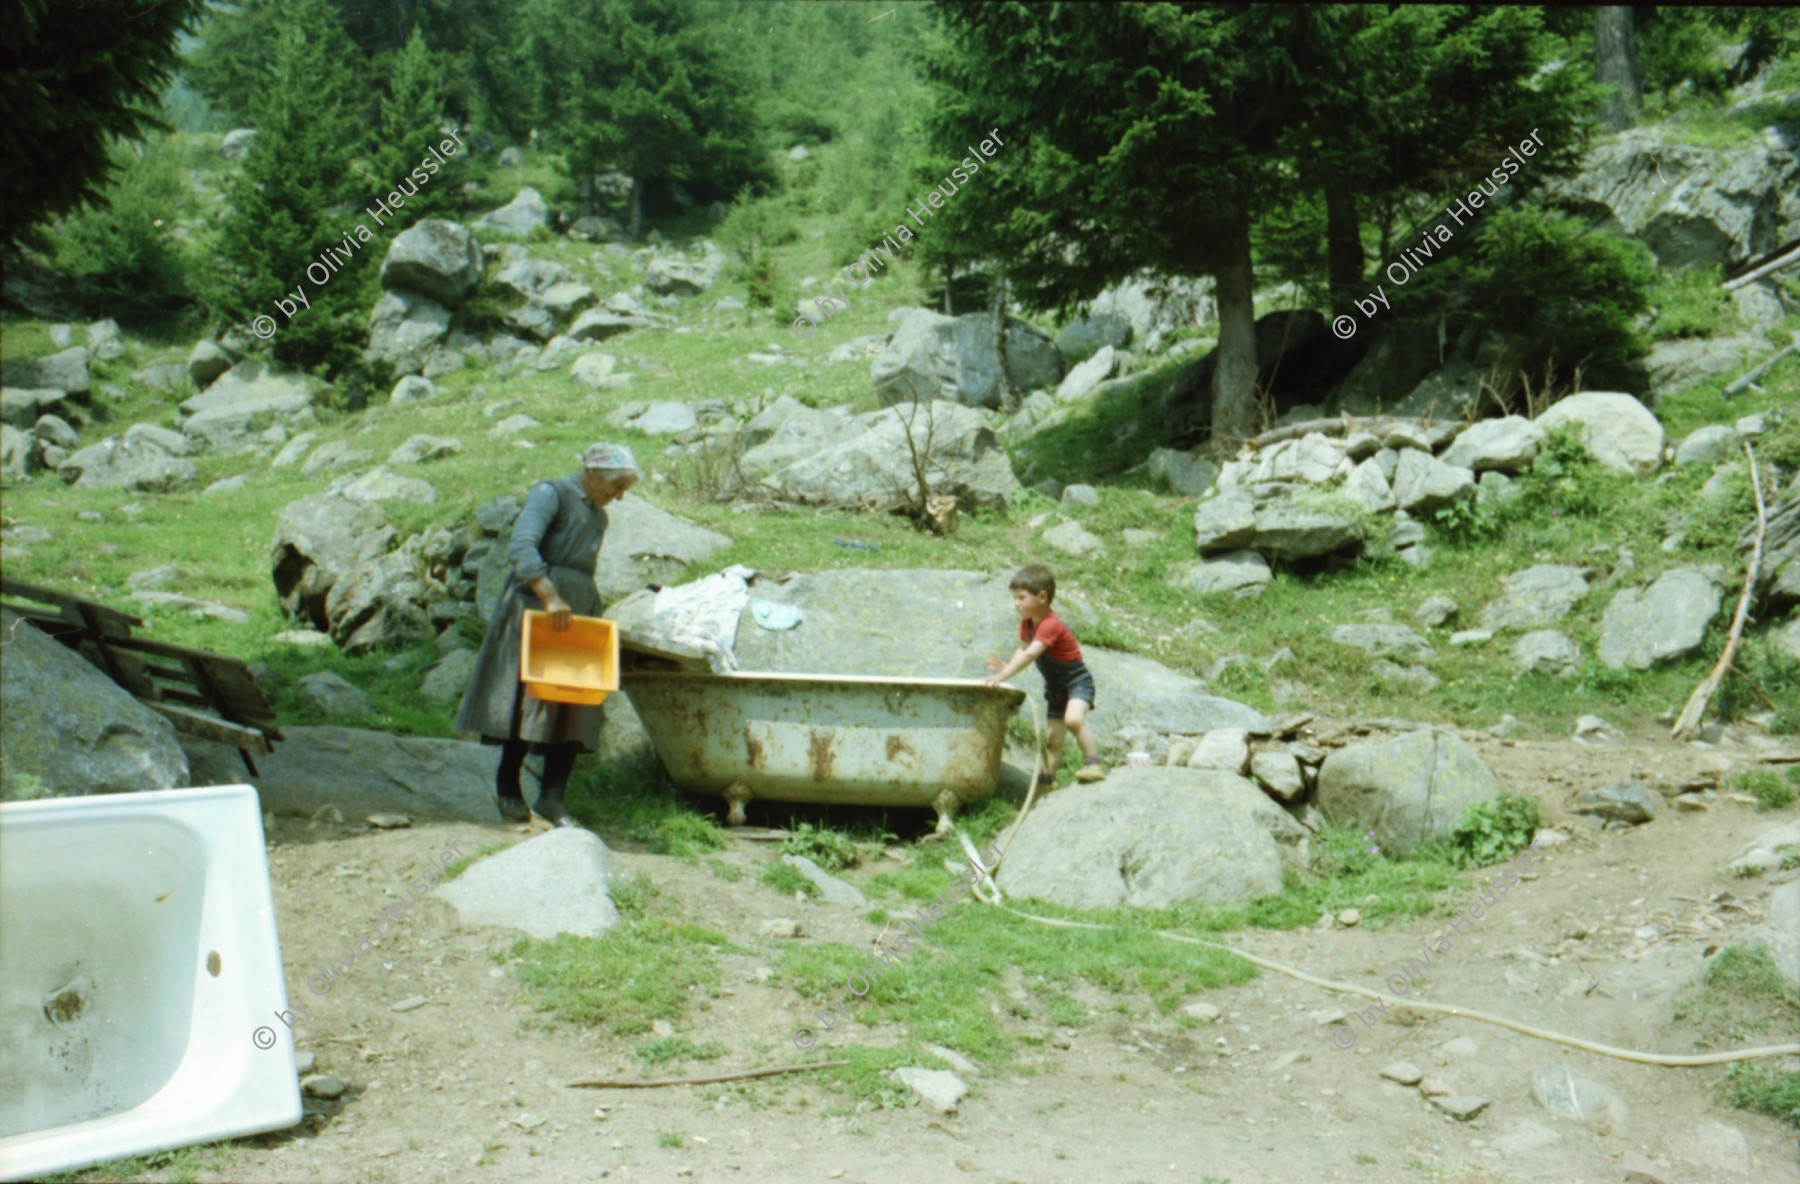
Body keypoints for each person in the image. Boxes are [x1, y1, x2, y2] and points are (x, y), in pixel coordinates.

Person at [454, 443, 639, 826]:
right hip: (535, 609)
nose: (619, 497)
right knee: (525, 697)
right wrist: (551, 597)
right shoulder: (549, 494)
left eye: (625, 489)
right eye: (617, 486)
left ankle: (552, 798)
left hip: (573, 615)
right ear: (592, 474)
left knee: (577, 700)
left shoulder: (599, 518)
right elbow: (522, 547)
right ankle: (508, 786)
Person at [983, 564, 1105, 790]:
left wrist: (1003, 675)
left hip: (1077, 683)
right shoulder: (1027, 625)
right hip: (1056, 688)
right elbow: (1023, 649)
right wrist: (1007, 664)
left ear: (1042, 597)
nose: (1016, 603)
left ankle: (1093, 764)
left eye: (1021, 597)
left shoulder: (1051, 625)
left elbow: (1031, 654)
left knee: (1074, 720)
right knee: (1053, 739)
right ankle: (1047, 780)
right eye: (1014, 598)